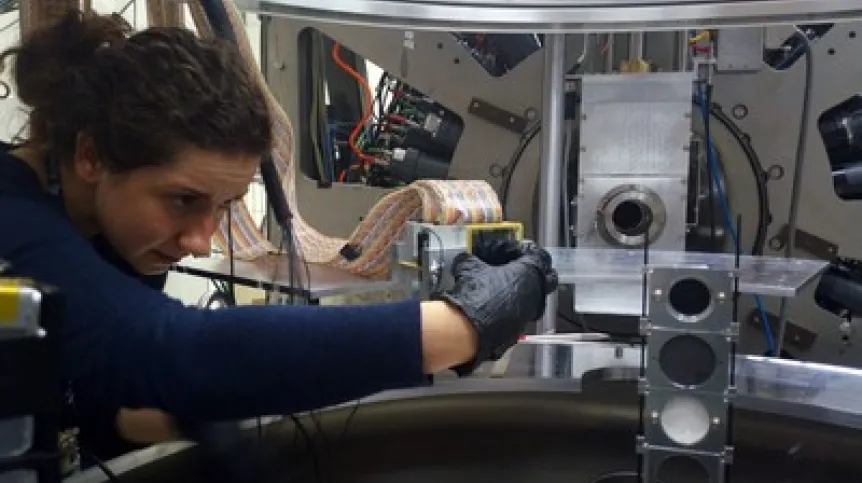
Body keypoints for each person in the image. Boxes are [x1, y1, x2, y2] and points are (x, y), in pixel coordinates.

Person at [0, 9, 558, 463]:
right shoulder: (12, 218)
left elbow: (95, 383)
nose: (199, 240)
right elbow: (165, 350)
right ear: (91, 154)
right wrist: (462, 324)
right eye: (183, 201)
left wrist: (183, 422)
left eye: (224, 207)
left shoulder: (108, 226)